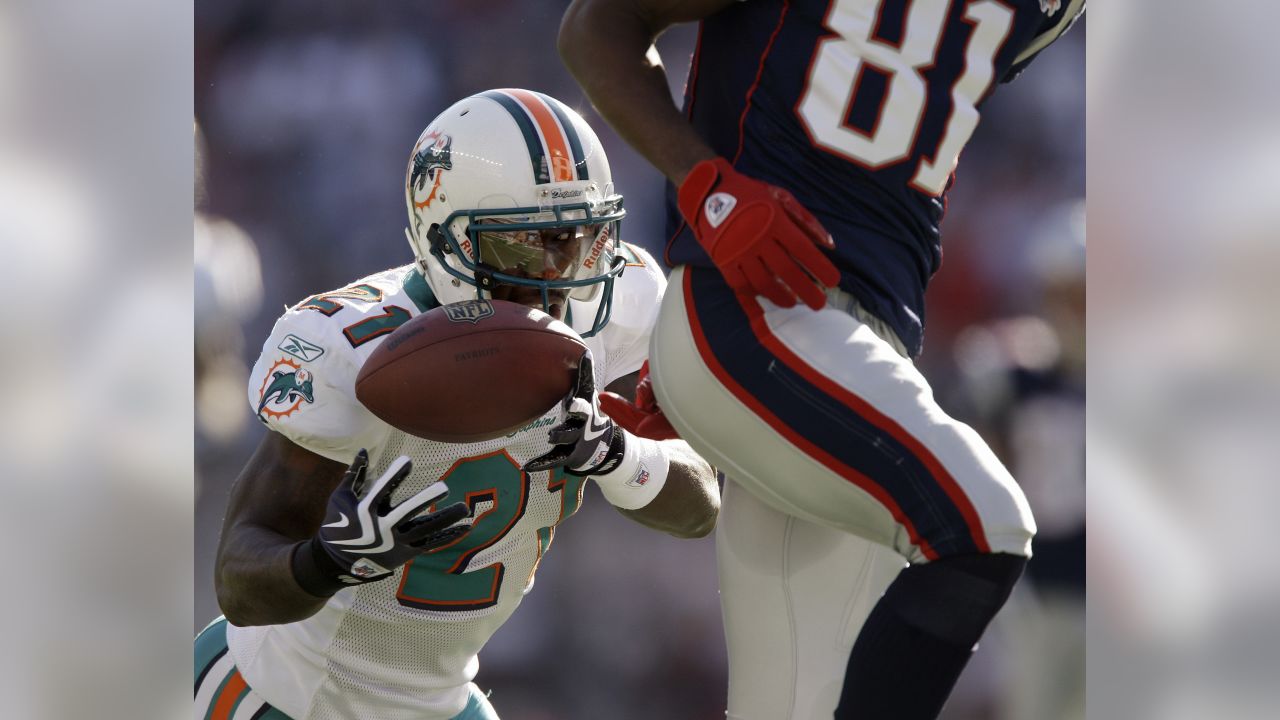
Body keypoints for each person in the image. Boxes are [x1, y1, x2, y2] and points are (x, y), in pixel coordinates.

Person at [561, 0, 1084, 718]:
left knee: (796, 705)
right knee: (980, 525)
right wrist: (703, 186)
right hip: (755, 309)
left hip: (858, 345)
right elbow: (600, 27)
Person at [195, 89, 720, 720]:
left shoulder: (620, 307)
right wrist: (329, 561)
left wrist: (620, 453)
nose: (559, 275)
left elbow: (701, 507)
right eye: (526, 246)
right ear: (445, 240)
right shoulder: (351, 346)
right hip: (284, 695)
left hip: (442, 703)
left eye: (577, 241)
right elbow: (240, 584)